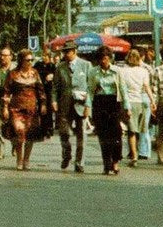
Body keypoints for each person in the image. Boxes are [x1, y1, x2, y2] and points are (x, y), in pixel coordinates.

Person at [1, 49, 47, 171]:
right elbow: (6, 92)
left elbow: (41, 90)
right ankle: (19, 159)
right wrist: (5, 108)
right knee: (19, 132)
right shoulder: (12, 74)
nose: (30, 62)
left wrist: (43, 104)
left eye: (32, 60)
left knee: (30, 135)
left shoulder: (35, 73)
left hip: (32, 108)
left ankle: (26, 159)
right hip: (16, 108)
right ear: (21, 61)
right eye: (28, 60)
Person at [87, 47, 130, 175]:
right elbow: (90, 91)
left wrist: (127, 107)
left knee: (116, 133)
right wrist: (88, 107)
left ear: (110, 58)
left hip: (114, 103)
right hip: (100, 103)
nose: (103, 61)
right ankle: (106, 163)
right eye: (101, 59)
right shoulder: (93, 72)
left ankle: (115, 161)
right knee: (103, 136)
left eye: (106, 58)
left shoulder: (117, 71)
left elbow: (123, 89)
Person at [52, 40, 91, 173]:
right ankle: (66, 154)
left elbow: (91, 88)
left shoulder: (86, 65)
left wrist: (88, 105)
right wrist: (54, 101)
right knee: (64, 133)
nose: (65, 54)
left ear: (75, 51)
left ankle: (80, 162)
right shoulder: (60, 67)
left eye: (68, 52)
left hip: (81, 105)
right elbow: (55, 87)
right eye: (64, 52)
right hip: (64, 105)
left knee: (82, 135)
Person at [117, 49, 156, 167]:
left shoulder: (123, 71)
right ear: (139, 58)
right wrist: (153, 101)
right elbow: (147, 87)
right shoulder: (143, 71)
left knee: (131, 131)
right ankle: (139, 152)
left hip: (129, 103)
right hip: (141, 102)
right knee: (140, 130)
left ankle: (134, 155)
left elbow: (121, 88)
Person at [34, 50, 56, 137]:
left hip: (49, 90)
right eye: (43, 56)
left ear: (49, 57)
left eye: (46, 56)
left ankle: (49, 129)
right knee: (41, 109)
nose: (44, 58)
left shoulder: (52, 66)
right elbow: (35, 73)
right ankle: (42, 128)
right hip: (40, 90)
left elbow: (56, 78)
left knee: (49, 111)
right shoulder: (38, 65)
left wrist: (52, 77)